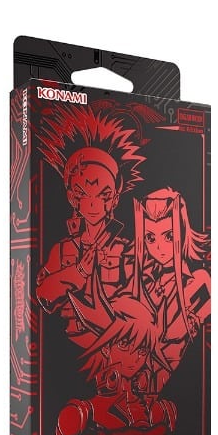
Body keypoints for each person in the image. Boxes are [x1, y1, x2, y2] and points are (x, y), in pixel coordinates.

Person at [35, 106, 144, 346]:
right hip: (69, 350)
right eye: (84, 194)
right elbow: (44, 296)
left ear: (114, 199)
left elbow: (140, 304)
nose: (93, 203)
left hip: (115, 348)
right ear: (73, 198)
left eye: (103, 195)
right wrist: (79, 272)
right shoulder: (62, 250)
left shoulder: (125, 249)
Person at [55, 272, 177, 435]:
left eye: (142, 350)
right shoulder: (79, 415)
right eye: (124, 344)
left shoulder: (161, 412)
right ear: (105, 347)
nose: (134, 357)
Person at [131, 187, 211, 389]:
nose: (159, 247)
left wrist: (195, 318)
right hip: (139, 369)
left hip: (173, 372)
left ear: (183, 231)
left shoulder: (196, 281)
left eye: (168, 236)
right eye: (150, 238)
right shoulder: (146, 280)